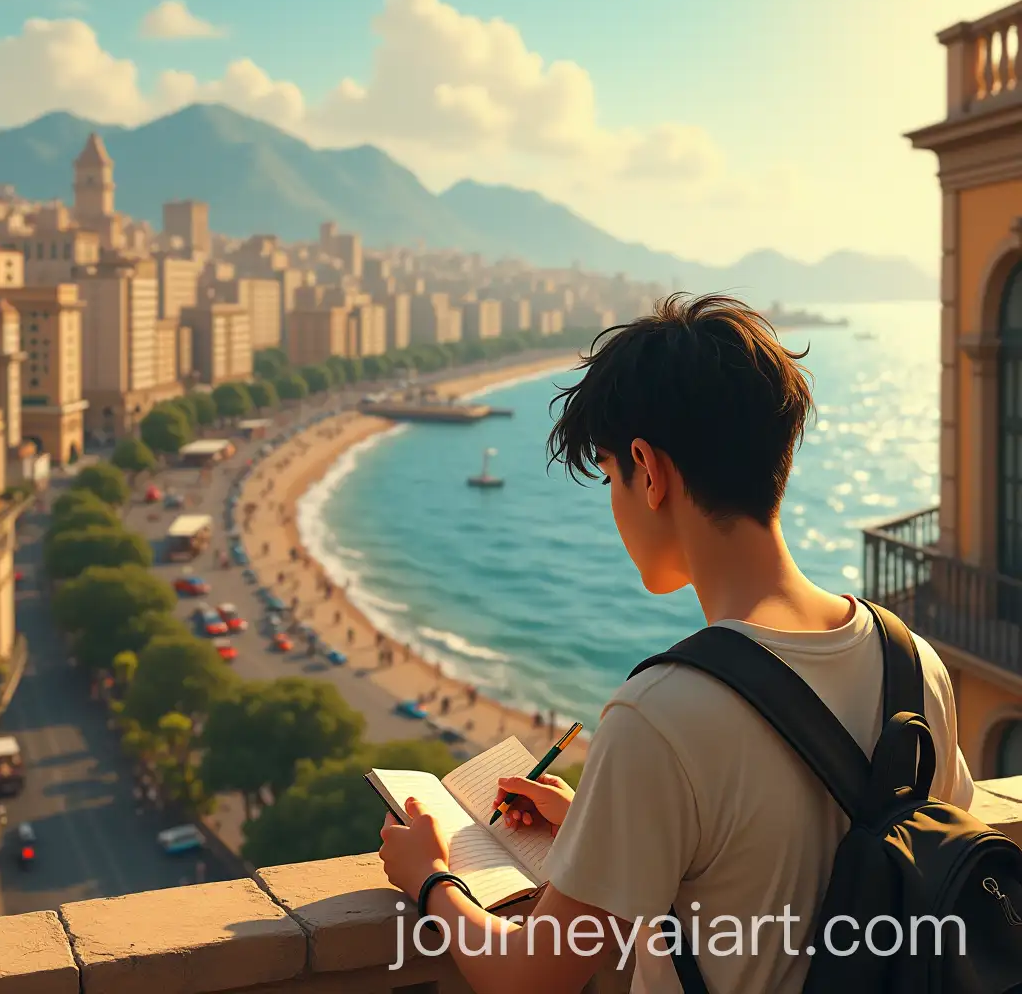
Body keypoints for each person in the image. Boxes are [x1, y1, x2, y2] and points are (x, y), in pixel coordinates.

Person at [378, 294, 975, 994]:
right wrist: (602, 830)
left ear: (649, 470)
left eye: (611, 477)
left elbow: (528, 978)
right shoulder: (913, 663)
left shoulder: (659, 715)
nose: (614, 504)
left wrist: (431, 879)